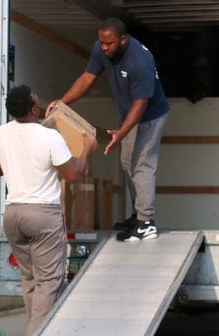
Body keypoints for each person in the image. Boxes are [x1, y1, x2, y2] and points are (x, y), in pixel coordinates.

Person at [0, 84, 97, 336]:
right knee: (48, 282)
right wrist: (87, 148)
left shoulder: (0, 134)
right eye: (37, 99)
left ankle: (36, 331)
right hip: (42, 215)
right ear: (33, 108)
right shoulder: (49, 137)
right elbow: (73, 174)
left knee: (29, 279)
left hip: (13, 214)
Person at [46, 17, 169, 241]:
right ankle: (137, 215)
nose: (104, 48)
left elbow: (141, 105)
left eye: (109, 44)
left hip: (150, 116)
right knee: (126, 163)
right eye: (101, 43)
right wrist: (62, 102)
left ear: (122, 40)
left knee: (142, 164)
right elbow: (87, 78)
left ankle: (147, 222)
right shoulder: (102, 47)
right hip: (130, 115)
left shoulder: (140, 61)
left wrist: (121, 133)